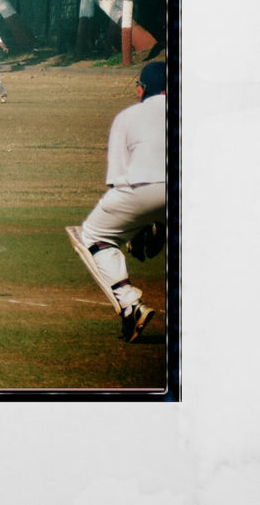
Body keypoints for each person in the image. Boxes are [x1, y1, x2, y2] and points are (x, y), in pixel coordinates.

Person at [72, 61, 167, 342]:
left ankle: (129, 301)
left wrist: (136, 226)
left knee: (93, 234)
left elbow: (118, 178)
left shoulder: (128, 116)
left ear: (142, 90)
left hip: (141, 189)